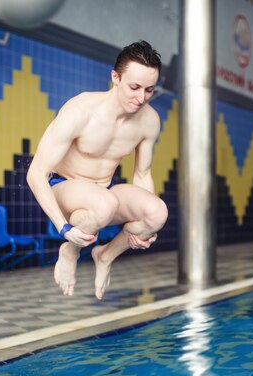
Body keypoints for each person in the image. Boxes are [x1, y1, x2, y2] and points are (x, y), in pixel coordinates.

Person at [27, 41, 168, 300]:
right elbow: (35, 174)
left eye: (149, 90)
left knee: (157, 212)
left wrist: (144, 228)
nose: (141, 98)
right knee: (105, 203)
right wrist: (63, 228)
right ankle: (69, 252)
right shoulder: (81, 111)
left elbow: (142, 174)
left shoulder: (149, 120)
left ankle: (105, 255)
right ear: (115, 77)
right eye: (134, 87)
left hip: (103, 197)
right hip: (63, 188)